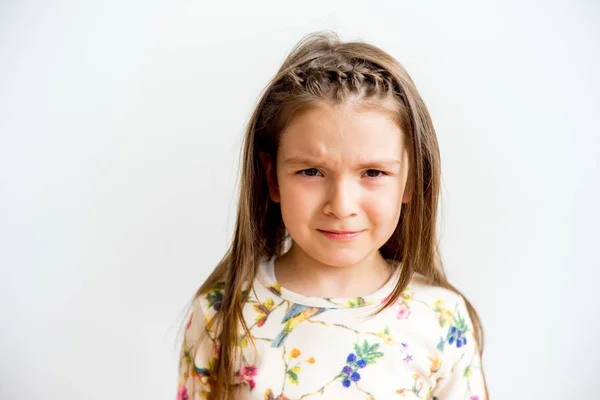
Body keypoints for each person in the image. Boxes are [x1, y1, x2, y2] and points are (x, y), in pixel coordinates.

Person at [175, 31, 488, 400]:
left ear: (409, 181)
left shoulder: (441, 318)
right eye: (311, 172)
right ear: (271, 176)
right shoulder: (221, 313)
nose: (341, 205)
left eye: (373, 173)